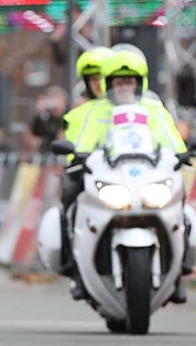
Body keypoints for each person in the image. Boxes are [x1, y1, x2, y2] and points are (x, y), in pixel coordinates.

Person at [60, 50, 187, 302]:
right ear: (110, 84)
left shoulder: (154, 108)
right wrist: (77, 156)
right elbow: (84, 139)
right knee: (71, 198)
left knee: (181, 204)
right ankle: (75, 266)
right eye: (118, 81)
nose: (124, 86)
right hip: (111, 177)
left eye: (130, 81)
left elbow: (170, 138)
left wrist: (182, 153)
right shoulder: (97, 111)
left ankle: (180, 268)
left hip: (147, 176)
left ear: (140, 82)